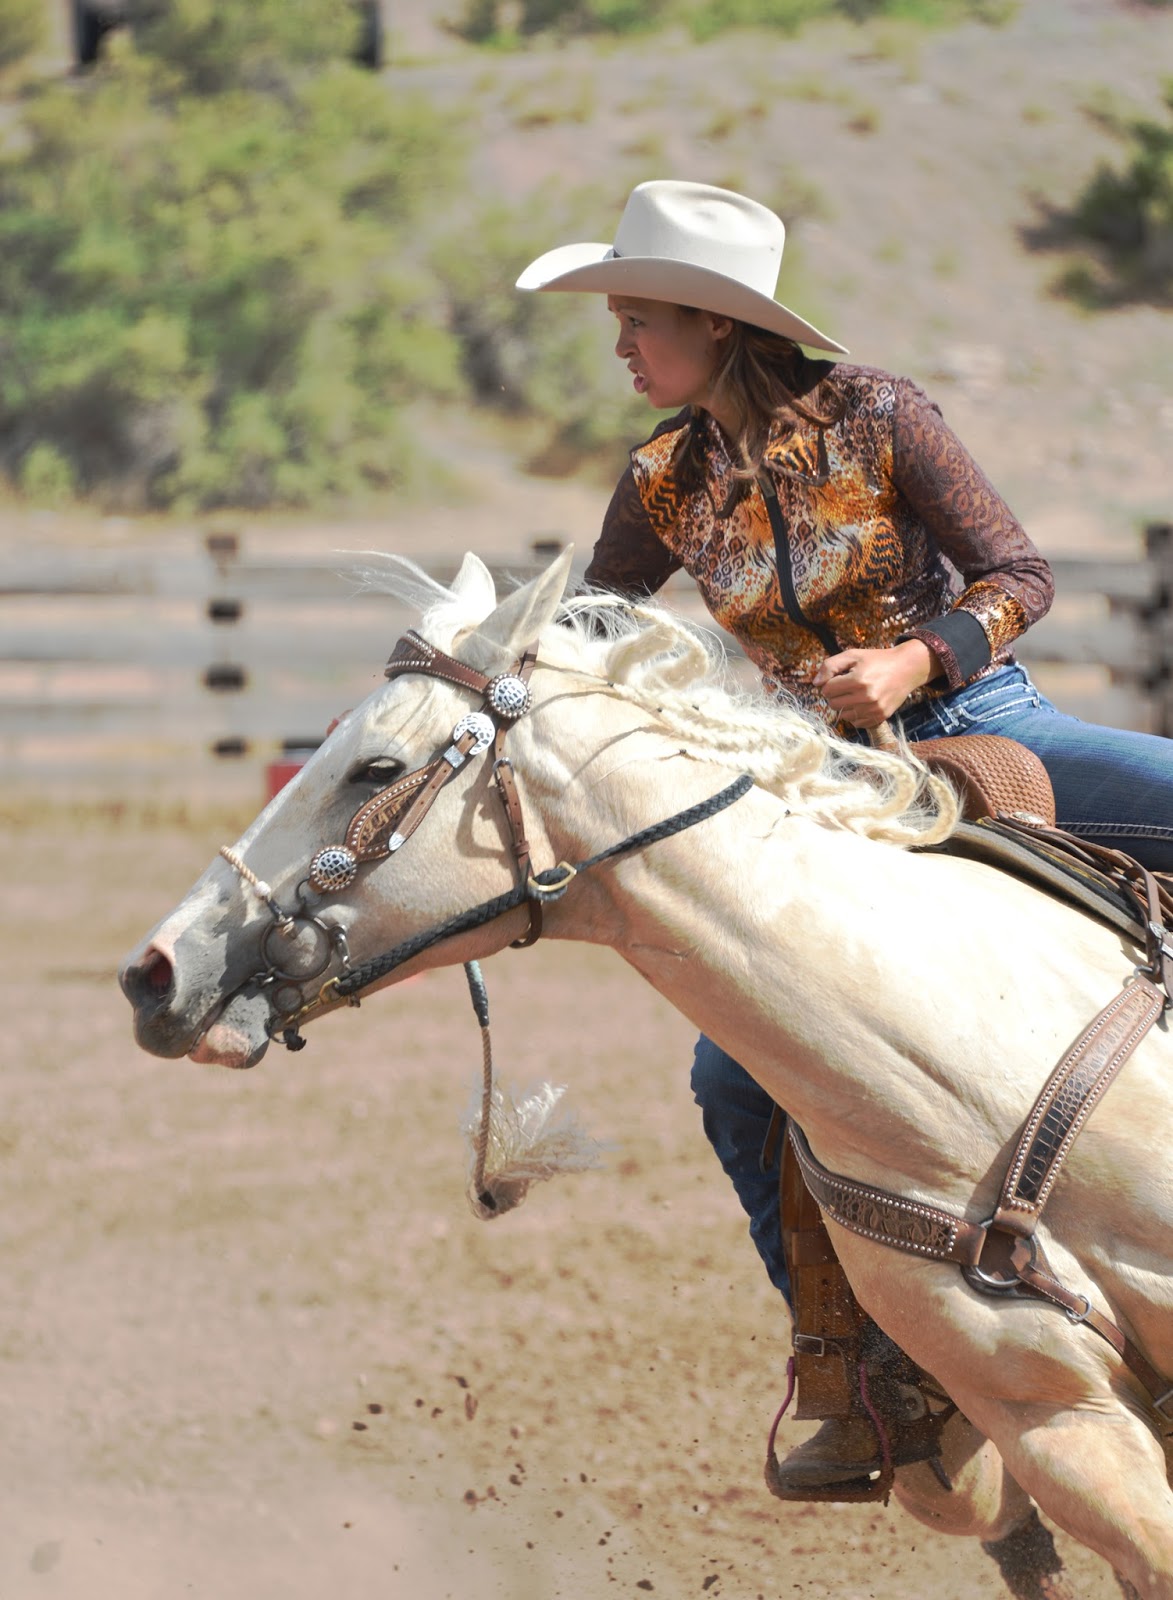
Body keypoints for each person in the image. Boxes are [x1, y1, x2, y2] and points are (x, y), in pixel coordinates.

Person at [515, 179, 1173, 1493]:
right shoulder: (662, 475)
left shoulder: (879, 414)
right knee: (724, 1081)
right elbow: (587, 621)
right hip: (817, 792)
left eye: (638, 319)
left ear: (714, 324)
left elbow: (1019, 576)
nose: (620, 346)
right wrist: (493, 669)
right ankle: (853, 1367)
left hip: (981, 721)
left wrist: (912, 661)